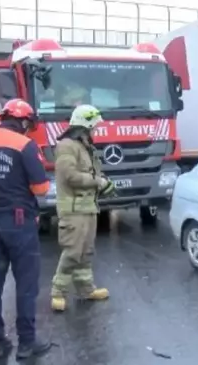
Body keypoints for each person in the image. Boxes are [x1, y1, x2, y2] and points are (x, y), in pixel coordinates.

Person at [0, 98, 52, 359]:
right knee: (26, 282)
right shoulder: (25, 145)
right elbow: (41, 188)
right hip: (18, 221)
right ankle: (27, 342)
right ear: (23, 122)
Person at [50, 105, 114, 312]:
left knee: (86, 252)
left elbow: (92, 174)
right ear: (85, 125)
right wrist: (98, 182)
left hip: (88, 207)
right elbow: (70, 176)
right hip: (73, 209)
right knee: (72, 251)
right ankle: (58, 292)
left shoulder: (85, 146)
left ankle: (86, 289)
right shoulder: (67, 146)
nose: (96, 130)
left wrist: (104, 183)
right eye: (94, 126)